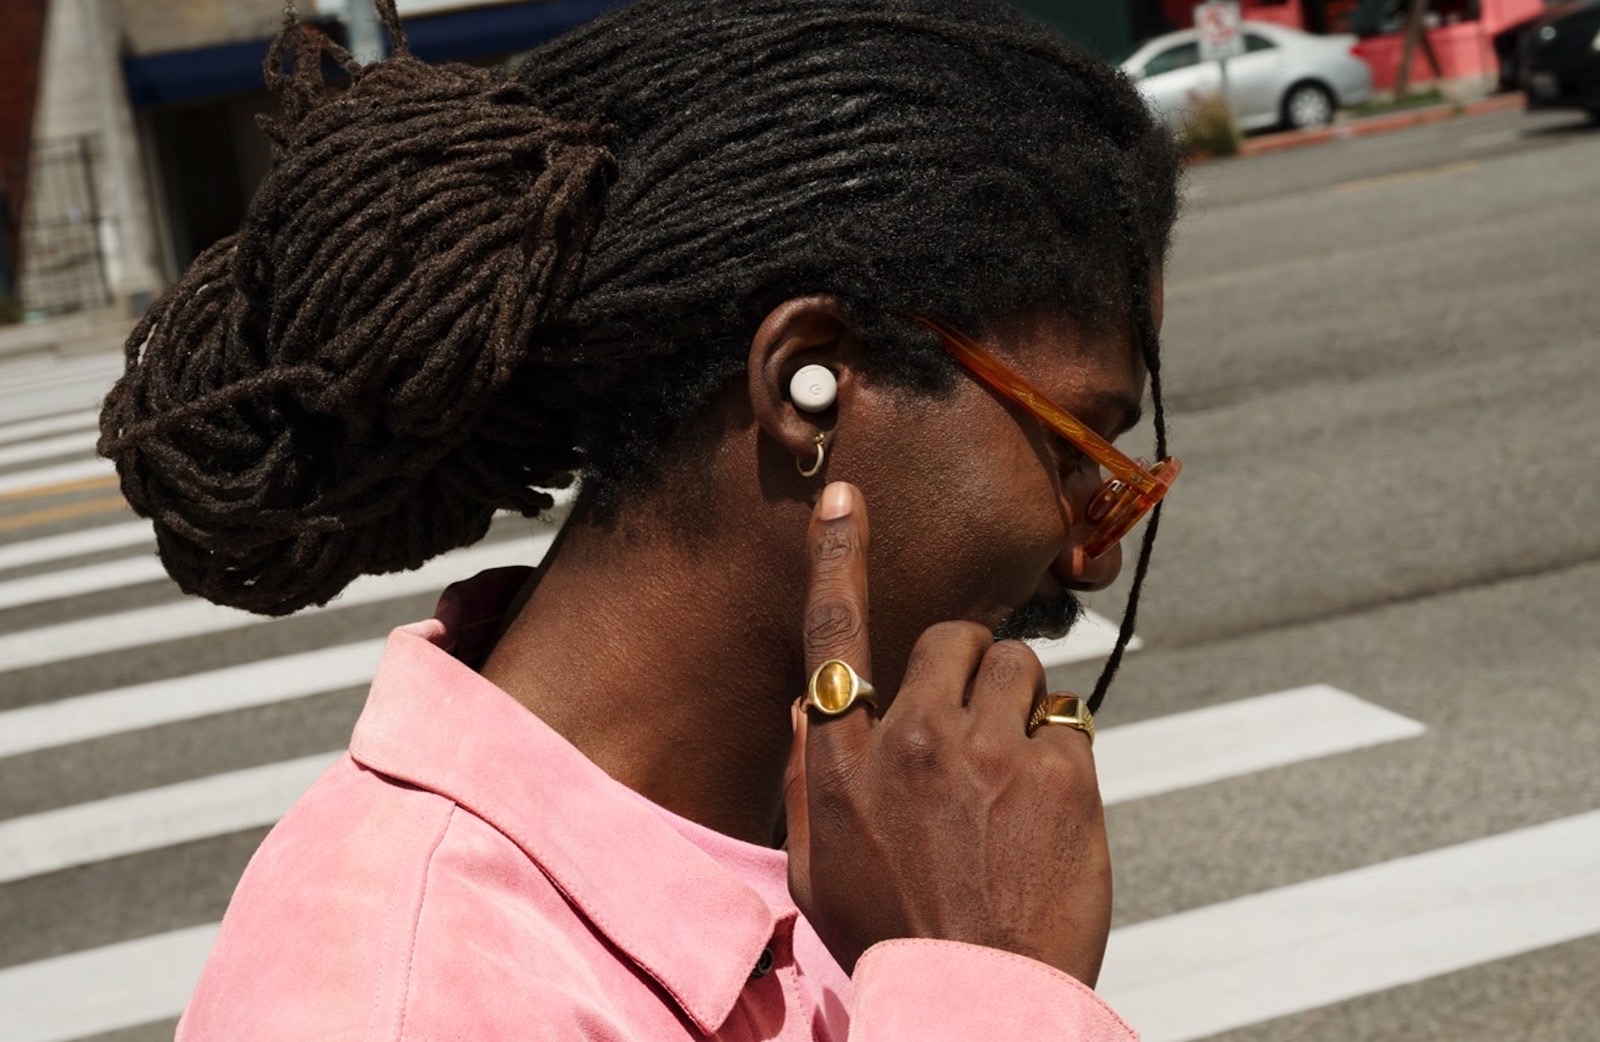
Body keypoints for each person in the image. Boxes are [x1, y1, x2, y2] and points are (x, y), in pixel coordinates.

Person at [98, 0, 1183, 1037]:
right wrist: (991, 991)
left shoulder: (865, 862)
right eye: (1077, 447)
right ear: (807, 383)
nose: (1097, 555)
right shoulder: (403, 999)